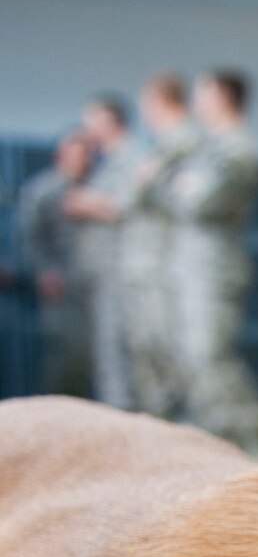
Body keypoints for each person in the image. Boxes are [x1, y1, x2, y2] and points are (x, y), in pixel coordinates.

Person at [172, 68, 258, 458]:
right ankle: (217, 452)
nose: (196, 102)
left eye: (201, 92)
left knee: (212, 360)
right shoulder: (209, 149)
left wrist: (181, 188)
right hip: (194, 269)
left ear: (220, 94)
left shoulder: (237, 150)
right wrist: (181, 188)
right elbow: (180, 195)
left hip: (214, 271)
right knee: (197, 368)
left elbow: (199, 203)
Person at [110, 72, 200, 419]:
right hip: (149, 259)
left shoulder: (181, 142)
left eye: (146, 102)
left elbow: (135, 196)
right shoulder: (162, 145)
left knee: (163, 349)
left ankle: (170, 423)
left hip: (162, 260)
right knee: (146, 348)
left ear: (160, 100)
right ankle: (157, 419)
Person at [63, 93, 145, 410]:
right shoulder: (106, 160)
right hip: (101, 270)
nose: (87, 130)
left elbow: (126, 207)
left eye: (91, 121)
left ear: (110, 120)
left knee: (118, 353)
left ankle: (123, 422)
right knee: (105, 354)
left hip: (122, 270)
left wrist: (86, 202)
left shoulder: (133, 155)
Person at [15, 131, 95, 396]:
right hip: (60, 284)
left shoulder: (96, 187)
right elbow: (30, 236)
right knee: (65, 353)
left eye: (87, 153)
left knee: (95, 356)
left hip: (94, 283)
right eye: (78, 153)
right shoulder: (43, 190)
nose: (84, 160)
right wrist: (44, 271)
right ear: (61, 155)